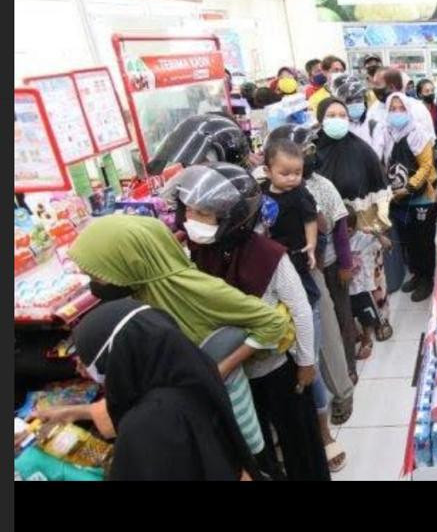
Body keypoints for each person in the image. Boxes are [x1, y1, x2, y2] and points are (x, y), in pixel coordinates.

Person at [66, 214, 291, 474]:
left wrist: (220, 369)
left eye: (99, 276)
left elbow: (274, 322)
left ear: (128, 262)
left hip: (224, 405)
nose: (95, 285)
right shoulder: (139, 293)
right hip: (190, 414)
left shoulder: (196, 289)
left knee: (245, 462)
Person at [170, 163, 338, 477]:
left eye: (202, 214)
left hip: (277, 369)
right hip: (235, 379)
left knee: (300, 446)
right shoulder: (196, 253)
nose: (191, 221)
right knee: (256, 453)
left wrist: (305, 363)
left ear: (232, 217)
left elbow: (299, 308)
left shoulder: (267, 254)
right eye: (189, 212)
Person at [66, 299, 260, 480]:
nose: (81, 370)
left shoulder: (146, 424)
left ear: (117, 359)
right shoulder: (188, 372)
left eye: (85, 363)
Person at [263, 125, 357, 425]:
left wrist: (337, 258)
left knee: (325, 331)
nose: (292, 176)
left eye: (299, 167)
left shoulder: (315, 186)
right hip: (276, 271)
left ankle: (342, 392)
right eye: (285, 170)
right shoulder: (261, 188)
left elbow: (332, 225)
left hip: (311, 265)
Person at [315, 97, 395, 342]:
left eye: (342, 115)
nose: (338, 120)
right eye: (331, 115)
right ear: (320, 119)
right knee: (342, 288)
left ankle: (379, 320)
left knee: (370, 280)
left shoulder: (362, 150)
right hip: (328, 234)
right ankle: (355, 334)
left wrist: (375, 228)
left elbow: (380, 190)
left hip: (363, 229)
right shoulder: (313, 151)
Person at [383, 92, 437, 303]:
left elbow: (426, 165)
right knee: (409, 240)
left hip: (421, 196)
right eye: (393, 109)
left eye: (401, 109)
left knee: (423, 240)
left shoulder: (418, 133)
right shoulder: (387, 133)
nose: (397, 113)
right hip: (399, 198)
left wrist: (409, 186)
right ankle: (417, 274)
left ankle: (427, 278)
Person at [259, 138, 320, 309]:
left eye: (297, 173)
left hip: (296, 251)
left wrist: (311, 245)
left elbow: (310, 219)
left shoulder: (300, 194)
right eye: (285, 174)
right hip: (273, 252)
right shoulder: (262, 190)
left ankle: (310, 311)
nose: (292, 178)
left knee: (305, 291)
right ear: (268, 171)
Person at [370, 68, 436, 156]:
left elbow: (430, 140)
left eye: (380, 88)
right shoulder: (373, 111)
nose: (377, 93)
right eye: (375, 88)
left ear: (393, 87)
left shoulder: (417, 108)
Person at [346, 212, 384, 359]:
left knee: (366, 315)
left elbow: (386, 244)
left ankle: (367, 339)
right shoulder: (336, 241)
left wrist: (375, 233)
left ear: (349, 229)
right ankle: (358, 335)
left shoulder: (364, 239)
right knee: (348, 314)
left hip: (362, 288)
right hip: (346, 287)